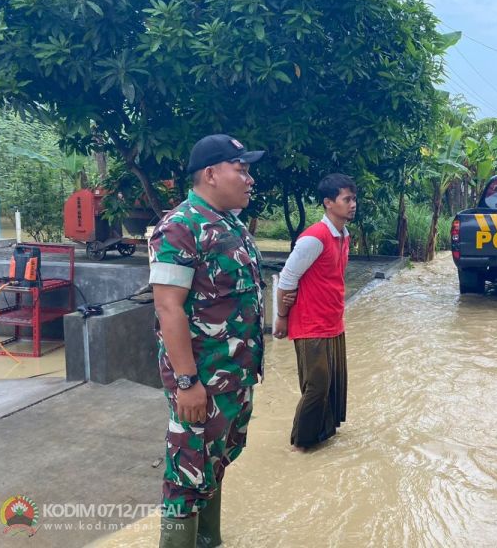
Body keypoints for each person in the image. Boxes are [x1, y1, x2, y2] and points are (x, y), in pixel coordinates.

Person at [149, 134, 265, 547]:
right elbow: (168, 308)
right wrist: (187, 383)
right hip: (201, 383)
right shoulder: (181, 226)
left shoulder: (229, 222)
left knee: (213, 466)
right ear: (212, 174)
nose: (250, 178)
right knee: (185, 476)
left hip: (233, 378)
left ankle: (208, 541)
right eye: (242, 168)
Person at [273, 174, 356, 452]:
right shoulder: (313, 238)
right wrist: (282, 317)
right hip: (311, 325)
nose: (352, 204)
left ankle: (323, 438)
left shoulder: (344, 235)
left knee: (332, 386)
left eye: (353, 199)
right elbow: (286, 280)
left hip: (333, 321)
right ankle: (300, 446)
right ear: (329, 203)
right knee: (317, 387)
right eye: (347, 199)